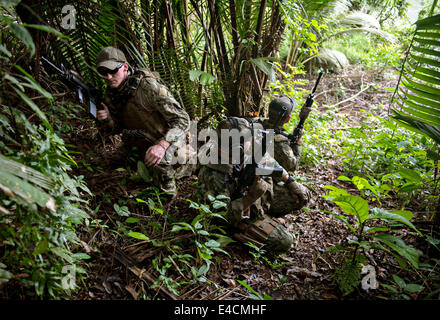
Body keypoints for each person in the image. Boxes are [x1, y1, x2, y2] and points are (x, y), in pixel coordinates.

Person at [197, 98, 310, 252]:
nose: (250, 143)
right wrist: (249, 198)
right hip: (240, 211)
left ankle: (262, 213)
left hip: (256, 195)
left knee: (301, 196)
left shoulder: (242, 149)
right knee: (284, 241)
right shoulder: (213, 174)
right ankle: (243, 232)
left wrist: (289, 180)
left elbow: (266, 159)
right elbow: (219, 217)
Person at [95, 46, 190, 198]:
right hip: (142, 141)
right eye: (103, 72)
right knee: (111, 165)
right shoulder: (112, 95)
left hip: (171, 140)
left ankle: (167, 196)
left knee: (159, 164)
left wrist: (162, 145)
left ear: (125, 67)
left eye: (113, 71)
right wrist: (107, 120)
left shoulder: (148, 87)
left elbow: (182, 120)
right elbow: (116, 129)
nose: (108, 76)